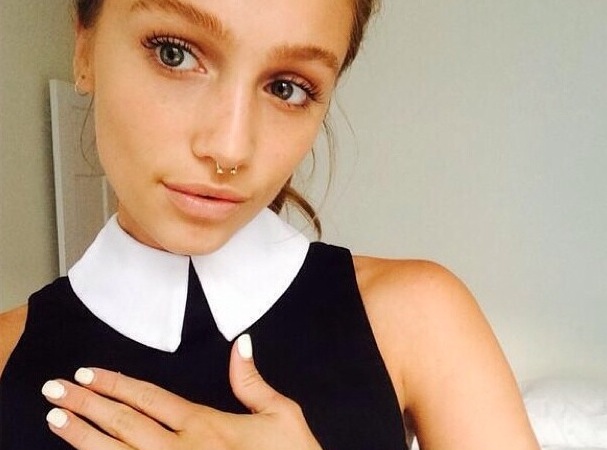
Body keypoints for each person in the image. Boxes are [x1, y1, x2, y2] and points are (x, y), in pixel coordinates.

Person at [0, 0, 541, 448]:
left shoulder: (417, 314)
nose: (230, 148)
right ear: (84, 46)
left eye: (286, 87)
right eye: (174, 53)